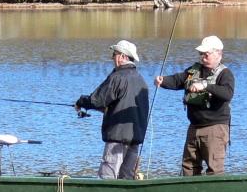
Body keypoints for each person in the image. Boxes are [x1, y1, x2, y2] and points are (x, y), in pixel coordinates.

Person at [154, 35, 235, 176]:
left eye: (206, 54)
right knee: (189, 168)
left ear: (218, 54)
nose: (202, 57)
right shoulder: (194, 70)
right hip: (194, 127)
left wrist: (205, 85)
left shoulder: (225, 74)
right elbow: (178, 80)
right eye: (201, 54)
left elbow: (227, 93)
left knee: (214, 171)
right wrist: (163, 81)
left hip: (215, 129)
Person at [75, 39, 150, 179]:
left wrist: (81, 101)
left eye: (114, 54)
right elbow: (119, 106)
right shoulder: (142, 81)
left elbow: (97, 100)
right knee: (126, 178)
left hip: (117, 138)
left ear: (122, 57)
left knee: (107, 176)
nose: (112, 58)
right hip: (135, 138)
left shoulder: (117, 77)